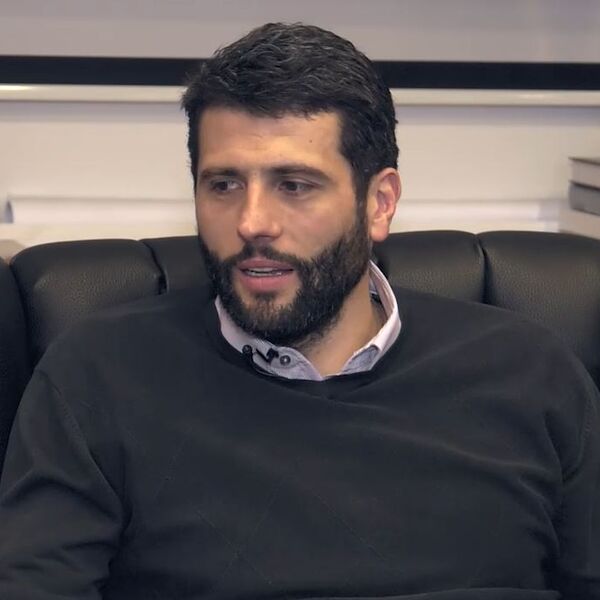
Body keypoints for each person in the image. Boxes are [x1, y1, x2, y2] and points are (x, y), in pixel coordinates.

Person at [1, 22, 599, 600]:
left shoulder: (530, 371)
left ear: (379, 203)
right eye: (224, 184)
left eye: (294, 185)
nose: (252, 222)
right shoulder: (100, 376)